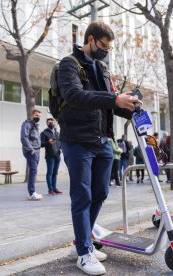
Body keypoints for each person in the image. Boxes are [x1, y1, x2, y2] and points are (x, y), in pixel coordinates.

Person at [57, 21, 141, 275]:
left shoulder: (103, 68)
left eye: (109, 48)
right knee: (82, 196)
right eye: (103, 46)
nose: (106, 50)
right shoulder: (69, 63)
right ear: (90, 39)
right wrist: (114, 99)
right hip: (77, 140)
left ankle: (81, 242)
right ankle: (84, 252)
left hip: (103, 142)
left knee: (101, 193)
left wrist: (129, 105)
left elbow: (111, 105)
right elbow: (75, 96)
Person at [20, 109, 43, 201]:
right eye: (36, 115)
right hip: (31, 151)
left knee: (34, 171)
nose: (38, 117)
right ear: (32, 115)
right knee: (33, 170)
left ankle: (32, 192)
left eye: (39, 116)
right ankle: (31, 193)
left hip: (36, 151)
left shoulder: (34, 126)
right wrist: (31, 149)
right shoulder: (27, 124)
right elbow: (23, 137)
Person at [40, 118, 62, 196]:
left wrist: (61, 148)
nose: (51, 123)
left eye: (52, 122)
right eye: (49, 122)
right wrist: (48, 142)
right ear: (47, 123)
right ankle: (50, 189)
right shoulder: (44, 133)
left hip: (57, 155)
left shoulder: (57, 133)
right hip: (50, 156)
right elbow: (41, 144)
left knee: (55, 173)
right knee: (50, 172)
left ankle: (55, 188)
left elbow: (60, 142)